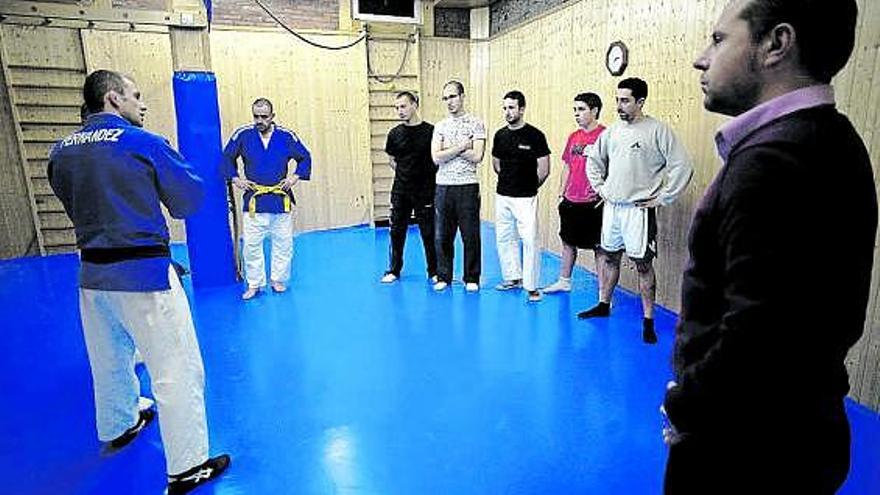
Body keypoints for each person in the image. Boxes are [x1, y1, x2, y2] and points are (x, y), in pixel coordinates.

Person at [662, 1, 876, 493]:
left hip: (743, 452)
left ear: (777, 43)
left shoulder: (774, 161)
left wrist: (687, 405)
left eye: (718, 40)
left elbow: (759, 336)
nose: (700, 58)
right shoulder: (832, 138)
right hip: (799, 433)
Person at [48, 69, 229, 494]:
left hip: (92, 275)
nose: (141, 104)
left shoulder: (61, 152)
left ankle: (120, 424)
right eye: (136, 95)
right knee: (176, 369)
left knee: (109, 359)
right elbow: (188, 200)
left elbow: (69, 199)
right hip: (144, 275)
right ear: (113, 99)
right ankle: (187, 466)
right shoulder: (144, 144)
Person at [580, 77, 693, 344]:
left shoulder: (657, 130)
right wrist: (602, 189)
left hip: (638, 211)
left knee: (643, 264)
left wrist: (663, 197)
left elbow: (682, 166)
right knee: (609, 257)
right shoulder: (612, 132)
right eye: (617, 100)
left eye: (625, 101)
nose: (619, 106)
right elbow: (594, 160)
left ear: (640, 102)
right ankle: (603, 304)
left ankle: (648, 320)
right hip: (612, 208)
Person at [223, 98, 312, 300]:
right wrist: (236, 178)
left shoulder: (286, 136)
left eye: (264, 116)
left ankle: (277, 280)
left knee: (283, 243)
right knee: (251, 245)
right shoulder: (243, 135)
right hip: (255, 200)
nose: (259, 120)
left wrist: (295, 176)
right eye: (256, 116)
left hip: (280, 200)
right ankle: (255, 284)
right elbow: (227, 157)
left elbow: (305, 157)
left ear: (272, 116)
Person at [543, 92, 607, 295]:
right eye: (575, 110)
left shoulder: (606, 136)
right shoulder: (574, 137)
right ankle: (564, 281)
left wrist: (604, 193)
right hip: (571, 200)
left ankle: (603, 293)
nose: (576, 114)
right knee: (568, 242)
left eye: (581, 109)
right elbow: (568, 166)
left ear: (594, 110)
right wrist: (562, 194)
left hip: (594, 202)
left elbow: (614, 168)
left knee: (600, 248)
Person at [491, 90, 551, 302]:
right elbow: (496, 164)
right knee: (505, 238)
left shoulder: (535, 135)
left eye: (512, 108)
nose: (507, 112)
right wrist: (509, 182)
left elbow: (544, 169)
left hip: (526, 197)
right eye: (505, 108)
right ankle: (511, 277)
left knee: (530, 240)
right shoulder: (500, 135)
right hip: (503, 196)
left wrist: (529, 186)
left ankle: (532, 286)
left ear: (522, 109)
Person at [431, 80, 487, 292]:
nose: (449, 102)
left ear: (462, 96)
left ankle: (471, 277)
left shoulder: (476, 123)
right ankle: (443, 275)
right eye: (445, 98)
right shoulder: (440, 126)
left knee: (470, 235)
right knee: (442, 235)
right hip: (443, 186)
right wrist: (463, 145)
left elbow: (477, 156)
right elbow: (436, 157)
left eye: (453, 96)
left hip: (467, 186)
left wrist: (450, 149)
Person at [380, 91, 438, 284]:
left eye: (403, 106)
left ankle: (434, 271)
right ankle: (393, 270)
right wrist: (407, 175)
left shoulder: (431, 131)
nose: (400, 111)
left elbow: (437, 160)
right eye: (396, 108)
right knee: (396, 231)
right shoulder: (394, 134)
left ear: (415, 105)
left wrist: (422, 177)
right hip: (401, 191)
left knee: (428, 232)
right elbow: (392, 161)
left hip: (425, 191)